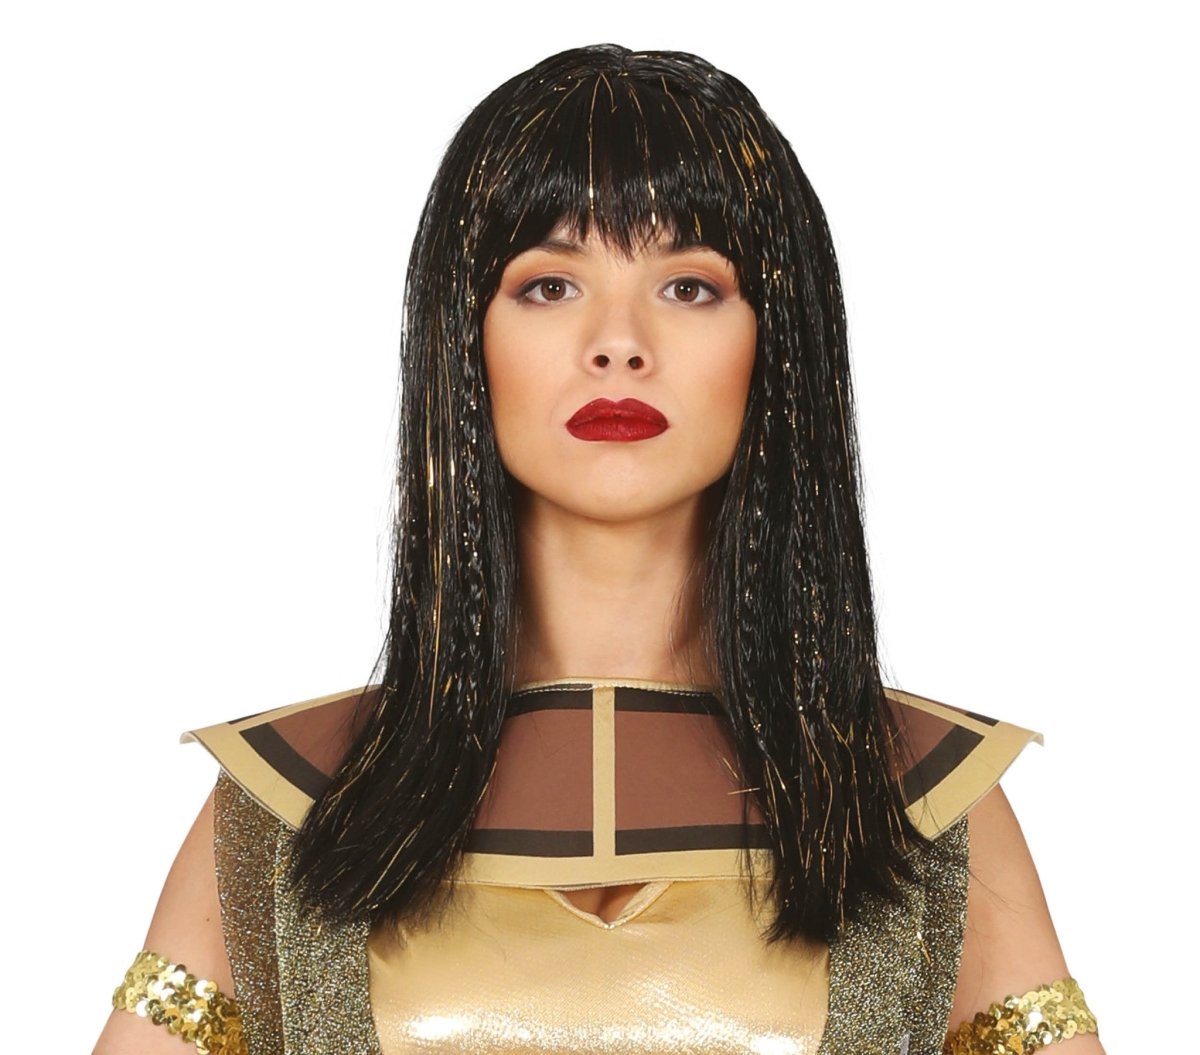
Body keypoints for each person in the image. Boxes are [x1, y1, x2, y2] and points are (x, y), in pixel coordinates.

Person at [94, 44, 1102, 1055]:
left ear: (776, 345)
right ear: (465, 339)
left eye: (689, 286)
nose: (618, 343)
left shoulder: (918, 798)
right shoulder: (290, 801)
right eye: (549, 285)